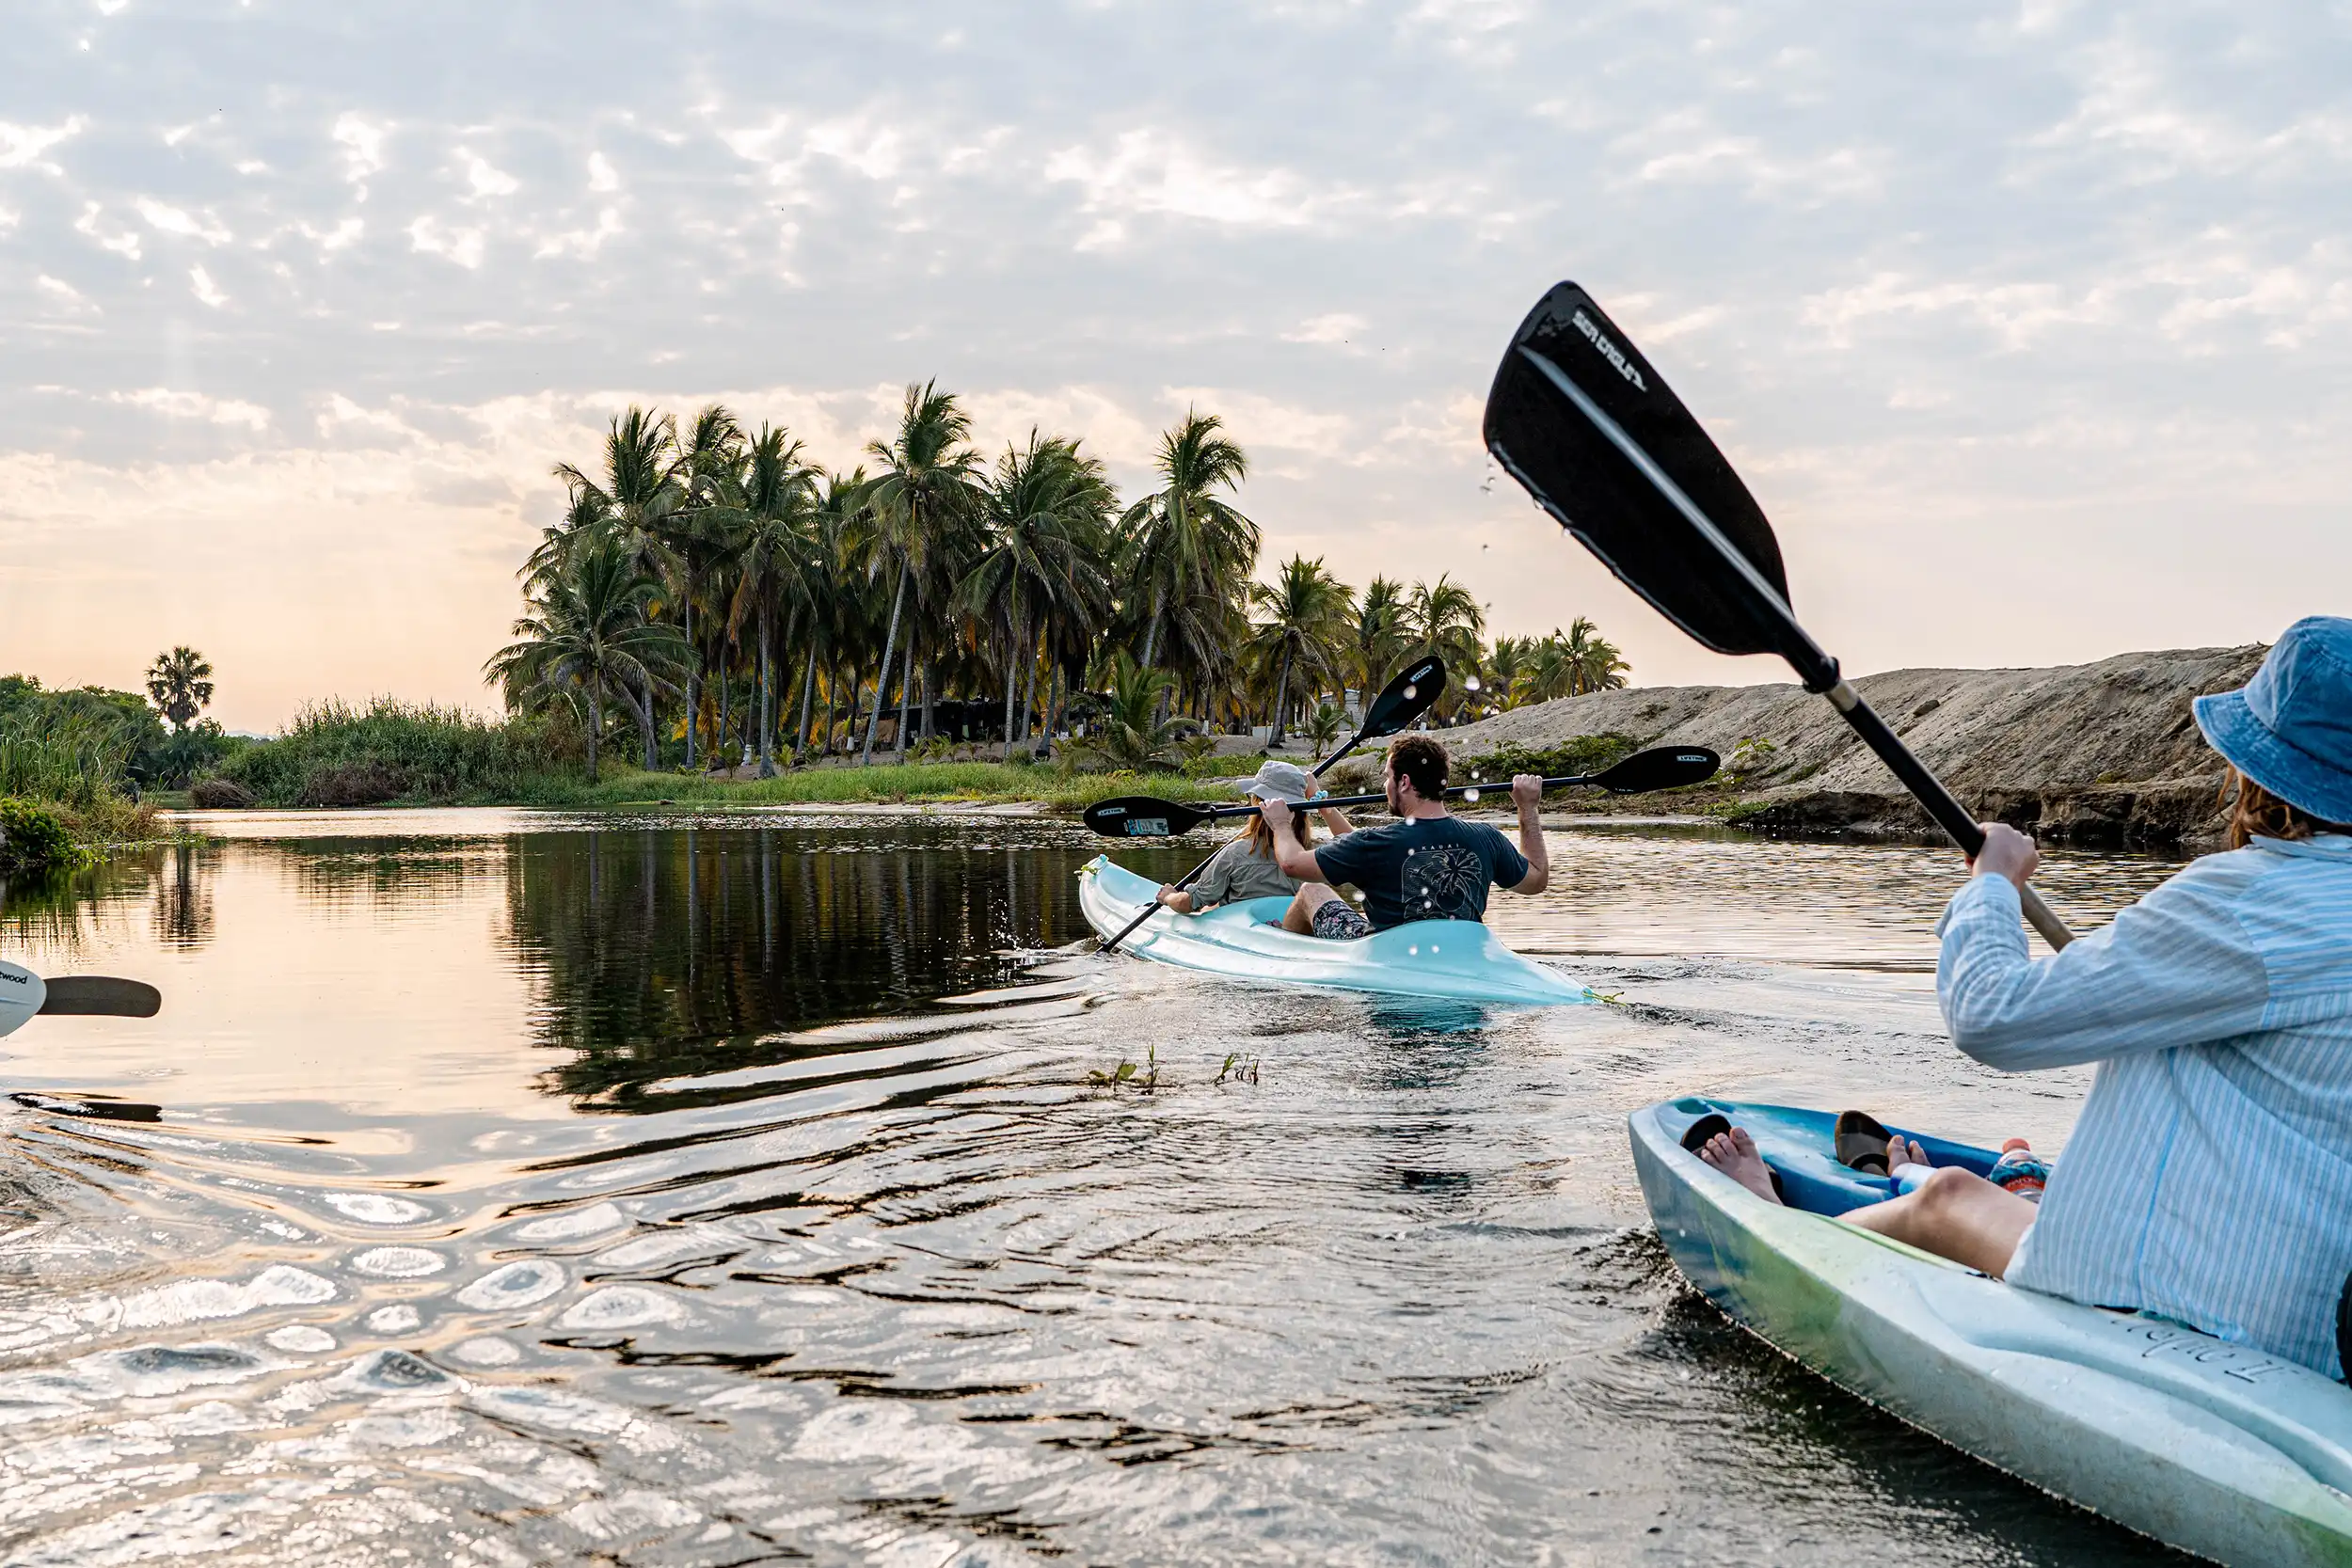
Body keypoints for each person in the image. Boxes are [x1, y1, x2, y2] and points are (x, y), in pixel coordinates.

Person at [1696, 615, 2352, 1376]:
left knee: (1944, 1195)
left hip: (2184, 1305)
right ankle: (2012, 1188)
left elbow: (1991, 1016)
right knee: (1973, 1189)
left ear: (2257, 774)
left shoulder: (2246, 903)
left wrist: (1992, 888)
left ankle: (1780, 1229)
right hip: (2313, 1328)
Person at [1256, 733, 1549, 939]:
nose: (1386, 785)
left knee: (1311, 891)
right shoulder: (1486, 837)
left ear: (1404, 782)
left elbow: (1292, 863)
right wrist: (1527, 809)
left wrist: (1281, 824)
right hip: (1462, 952)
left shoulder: (1376, 842)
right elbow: (1536, 881)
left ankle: (1287, 949)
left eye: (1388, 776)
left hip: (1389, 953)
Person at [1154, 761, 1352, 915]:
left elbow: (1187, 903)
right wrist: (1320, 800)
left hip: (1247, 934)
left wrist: (1170, 897)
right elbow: (1353, 841)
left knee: (1209, 907)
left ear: (1257, 804)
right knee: (1211, 907)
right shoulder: (1317, 853)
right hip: (1294, 928)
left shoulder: (1236, 853)